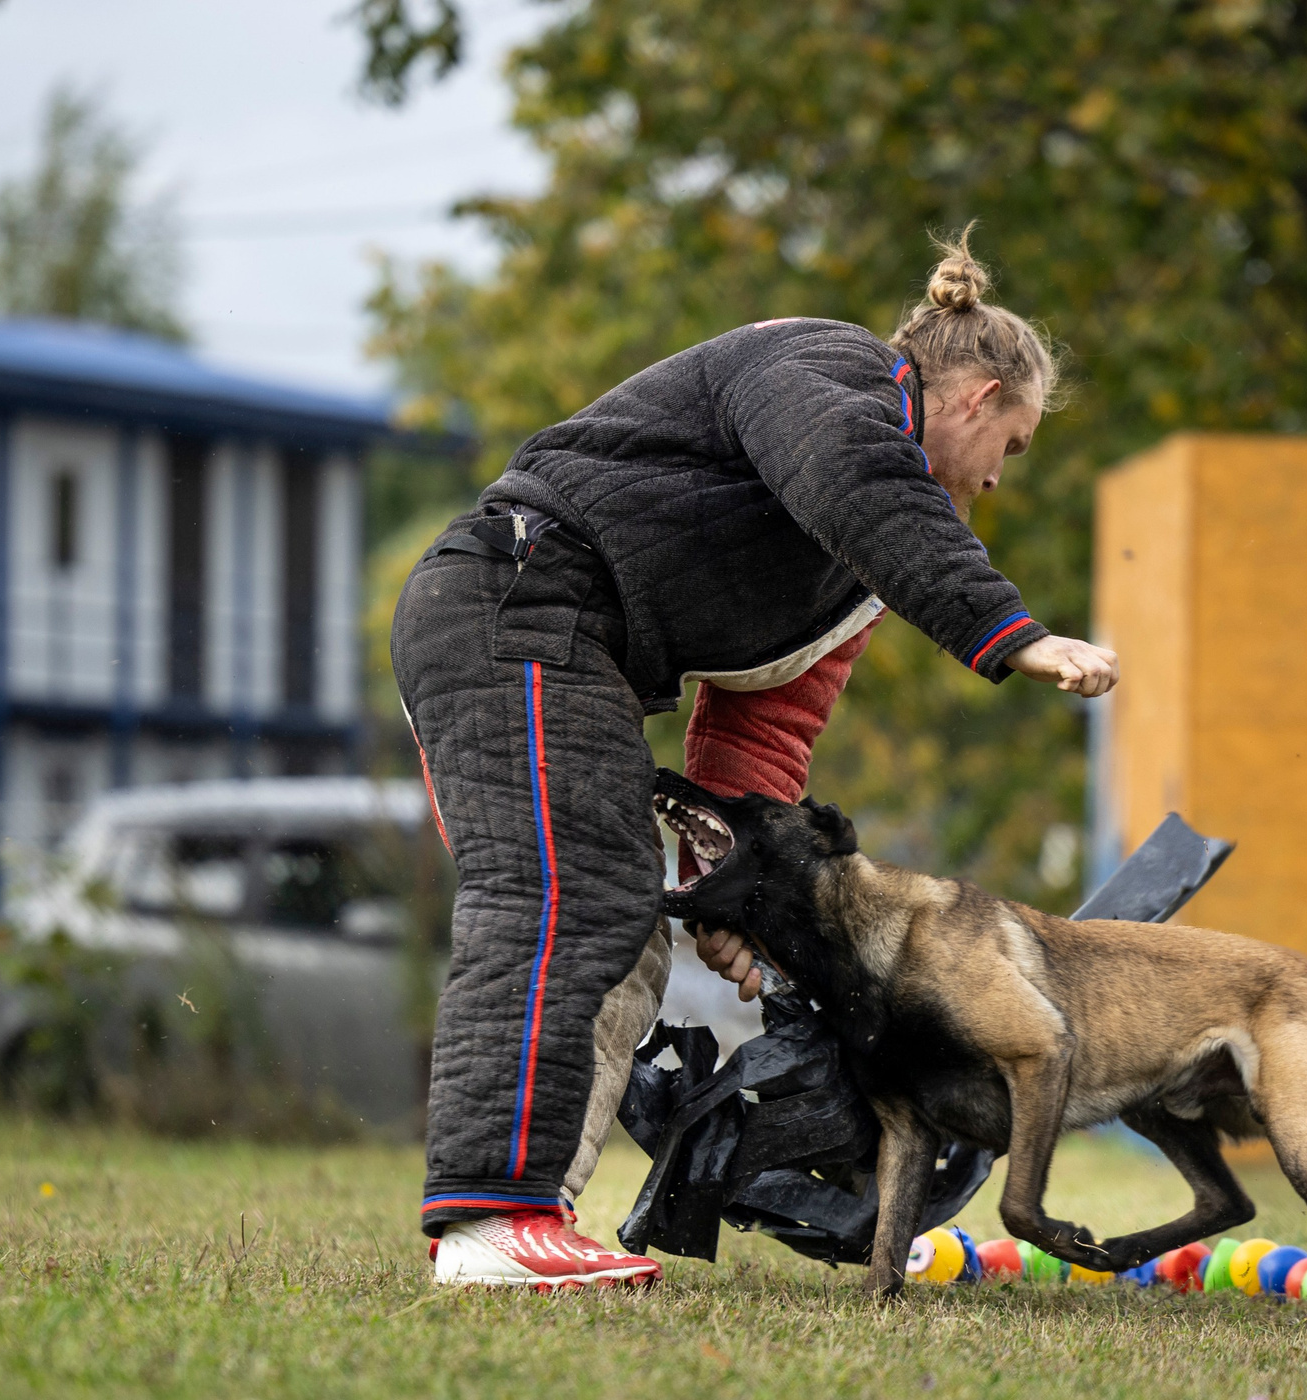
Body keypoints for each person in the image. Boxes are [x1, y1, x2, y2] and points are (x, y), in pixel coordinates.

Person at [392, 231, 1117, 1287]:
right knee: (569, 889)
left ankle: (524, 1217)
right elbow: (855, 477)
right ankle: (488, 1221)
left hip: (561, 640)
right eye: (1011, 442)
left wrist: (742, 902)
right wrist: (1009, 632)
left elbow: (761, 736)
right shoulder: (824, 371)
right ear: (976, 396)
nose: (1000, 479)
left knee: (619, 912)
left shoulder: (855, 566)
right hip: (509, 603)